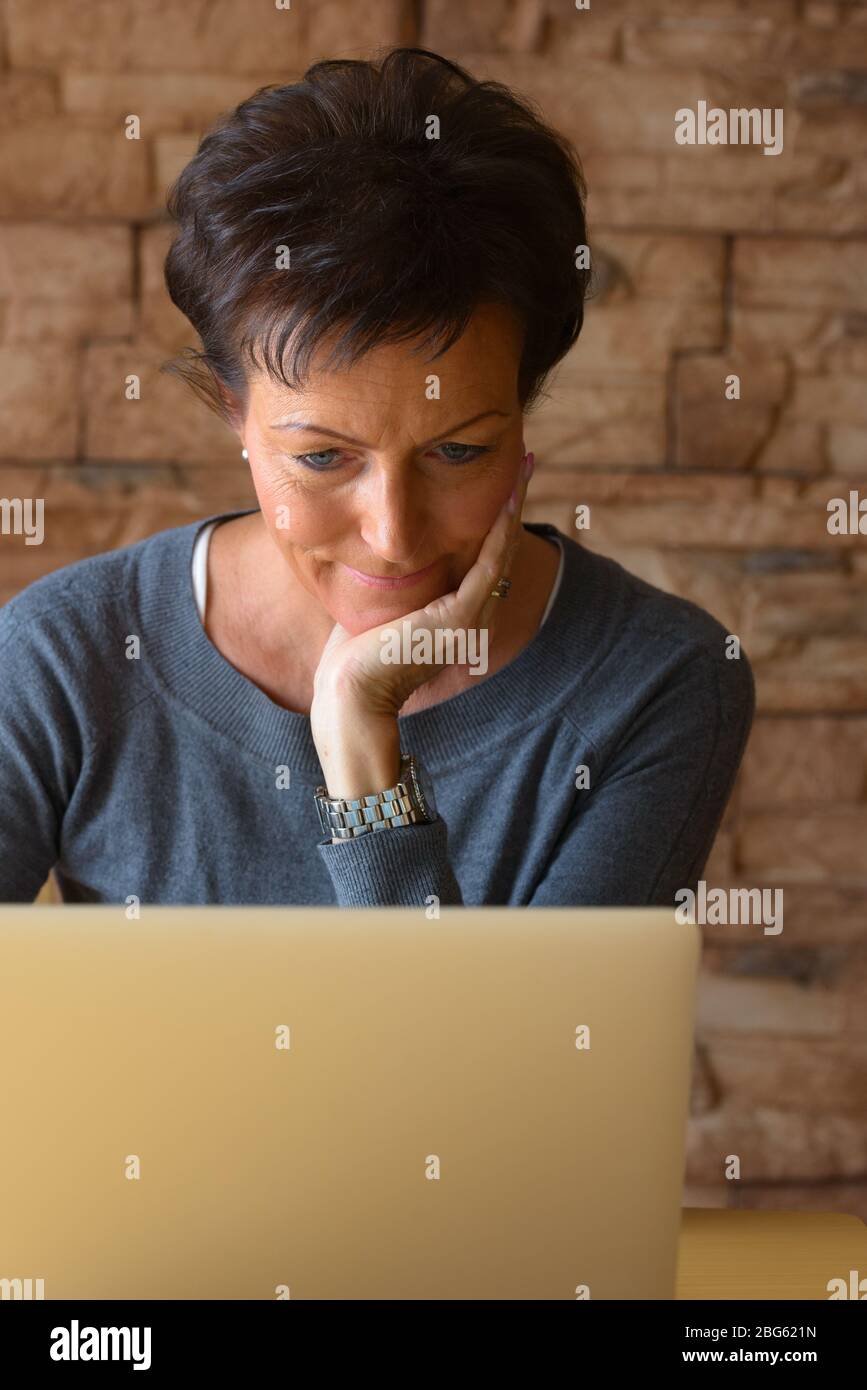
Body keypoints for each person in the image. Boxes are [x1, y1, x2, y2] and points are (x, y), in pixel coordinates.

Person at [0, 47, 754, 907]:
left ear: (524, 409)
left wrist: (363, 753)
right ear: (229, 411)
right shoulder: (64, 658)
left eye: (459, 451)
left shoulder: (656, 681)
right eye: (322, 457)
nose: (393, 535)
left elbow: (515, 1051)